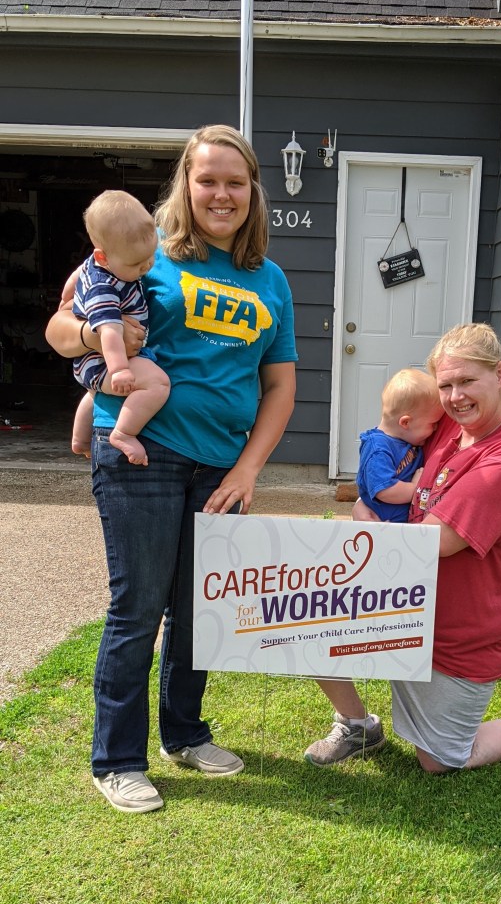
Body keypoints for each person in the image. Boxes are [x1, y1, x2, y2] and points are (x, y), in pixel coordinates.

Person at [45, 124, 297, 813]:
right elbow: (60, 327)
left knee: (199, 610)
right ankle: (117, 759)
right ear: (186, 184)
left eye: (235, 182)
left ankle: (184, 734)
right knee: (138, 608)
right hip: (142, 453)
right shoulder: (142, 249)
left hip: (220, 466)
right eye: (207, 179)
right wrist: (100, 335)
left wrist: (247, 470)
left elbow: (280, 386)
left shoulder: (270, 279)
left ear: (253, 192)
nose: (221, 194)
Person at [306, 322, 501, 771]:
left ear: (499, 373)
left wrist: (367, 527)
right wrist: (365, 501)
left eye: (467, 381)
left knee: (440, 760)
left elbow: (433, 542)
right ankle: (357, 725)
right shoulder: (446, 428)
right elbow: (385, 455)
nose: (455, 397)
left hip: (458, 635)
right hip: (400, 604)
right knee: (303, 618)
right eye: (446, 385)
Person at [71, 189, 170, 466]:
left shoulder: (98, 265)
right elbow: (110, 333)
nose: (147, 266)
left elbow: (76, 276)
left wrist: (69, 291)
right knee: (157, 383)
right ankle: (124, 433)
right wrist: (119, 369)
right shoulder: (103, 288)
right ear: (103, 258)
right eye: (136, 264)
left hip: (96, 365)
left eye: (150, 257)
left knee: (94, 393)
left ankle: (79, 439)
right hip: (103, 361)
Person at [356, 368, 443, 523]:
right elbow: (385, 490)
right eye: (433, 423)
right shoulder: (378, 450)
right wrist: (416, 487)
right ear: (406, 423)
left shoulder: (407, 438)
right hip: (386, 526)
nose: (436, 428)